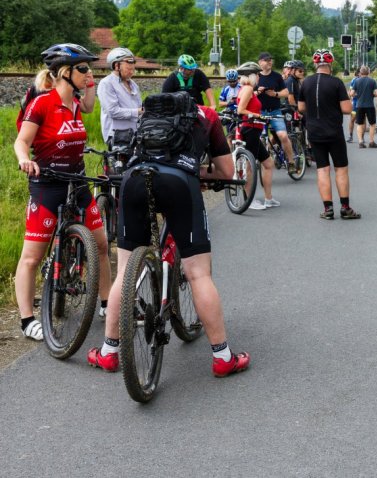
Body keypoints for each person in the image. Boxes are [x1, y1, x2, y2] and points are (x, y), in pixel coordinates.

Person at [87, 92, 250, 377]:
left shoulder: (149, 113)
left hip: (134, 179)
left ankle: (109, 353)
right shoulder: (207, 116)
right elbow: (225, 171)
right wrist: (199, 172)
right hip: (179, 182)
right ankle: (223, 357)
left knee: (125, 271)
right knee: (199, 274)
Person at [14, 43, 111, 341]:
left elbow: (92, 105)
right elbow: (21, 142)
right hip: (48, 185)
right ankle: (27, 319)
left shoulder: (76, 103)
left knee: (102, 245)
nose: (88, 73)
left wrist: (90, 82)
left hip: (77, 182)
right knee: (31, 257)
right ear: (64, 73)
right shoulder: (42, 103)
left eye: (90, 69)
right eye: (83, 69)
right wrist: (24, 160)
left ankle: (108, 304)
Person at [298, 49, 361, 220]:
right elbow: (347, 109)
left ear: (315, 64)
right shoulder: (336, 83)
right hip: (333, 131)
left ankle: (328, 209)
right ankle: (345, 208)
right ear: (330, 64)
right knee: (340, 169)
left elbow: (301, 108)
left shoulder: (306, 83)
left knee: (322, 169)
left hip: (314, 131)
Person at [235, 61, 279, 211]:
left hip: (254, 129)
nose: (259, 77)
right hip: (250, 129)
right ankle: (249, 200)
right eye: (258, 75)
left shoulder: (248, 89)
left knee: (268, 164)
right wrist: (257, 115)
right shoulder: (247, 89)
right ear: (252, 76)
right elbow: (241, 110)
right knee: (250, 166)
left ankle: (268, 198)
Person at [256, 52, 296, 173]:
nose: (269, 62)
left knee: (283, 136)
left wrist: (275, 94)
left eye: (270, 60)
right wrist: (258, 92)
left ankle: (291, 162)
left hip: (275, 111)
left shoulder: (277, 76)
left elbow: (286, 92)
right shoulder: (256, 77)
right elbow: (248, 94)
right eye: (266, 60)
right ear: (260, 62)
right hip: (260, 112)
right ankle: (260, 163)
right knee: (260, 138)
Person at [97, 47, 142, 148]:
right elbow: (112, 111)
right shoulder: (106, 83)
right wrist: (137, 112)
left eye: (133, 69)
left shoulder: (133, 84)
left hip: (134, 135)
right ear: (116, 66)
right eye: (128, 69)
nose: (131, 72)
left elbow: (140, 107)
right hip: (117, 137)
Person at [350, 65, 377, 148]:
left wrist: (358, 95)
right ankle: (371, 142)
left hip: (359, 105)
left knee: (359, 123)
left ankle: (360, 142)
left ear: (360, 72)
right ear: (369, 72)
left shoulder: (356, 81)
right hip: (369, 105)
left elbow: (351, 94)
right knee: (372, 124)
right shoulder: (372, 81)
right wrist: (371, 94)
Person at [347, 69, 360, 143]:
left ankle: (361, 138)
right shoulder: (354, 80)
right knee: (352, 119)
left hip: (363, 103)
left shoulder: (367, 79)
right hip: (355, 103)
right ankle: (350, 136)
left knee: (362, 120)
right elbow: (350, 92)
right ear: (358, 73)